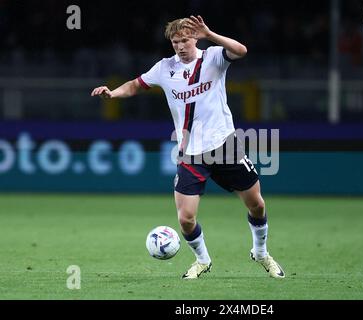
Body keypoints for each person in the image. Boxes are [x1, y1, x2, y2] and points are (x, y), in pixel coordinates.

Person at [91, 15, 285, 279]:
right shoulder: (164, 68)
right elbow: (136, 85)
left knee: (257, 205)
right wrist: (113, 93)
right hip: (191, 153)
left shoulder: (214, 57)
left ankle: (261, 253)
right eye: (175, 41)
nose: (180, 46)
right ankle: (202, 260)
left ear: (195, 38)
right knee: (185, 218)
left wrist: (210, 33)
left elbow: (241, 50)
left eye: (185, 40)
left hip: (224, 145)